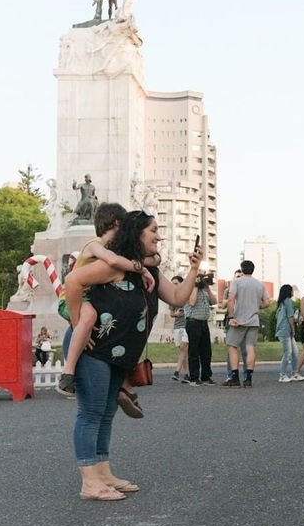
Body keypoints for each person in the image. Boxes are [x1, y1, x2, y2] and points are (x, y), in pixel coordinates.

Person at [63, 210, 199, 501]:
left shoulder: (147, 270)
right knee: (91, 412)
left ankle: (103, 472)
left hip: (117, 355)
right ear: (137, 233)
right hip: (95, 349)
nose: (159, 236)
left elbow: (177, 297)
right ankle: (89, 482)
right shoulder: (114, 266)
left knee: (107, 412)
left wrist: (193, 269)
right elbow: (73, 282)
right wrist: (77, 323)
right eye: (153, 230)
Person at [57, 203, 156, 419]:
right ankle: (68, 373)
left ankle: (125, 387)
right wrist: (141, 268)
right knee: (89, 317)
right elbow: (113, 261)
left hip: (86, 297)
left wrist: (151, 260)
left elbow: (141, 258)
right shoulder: (94, 246)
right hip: (72, 298)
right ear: (117, 224)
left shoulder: (111, 250)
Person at [224, 260, 270, 387]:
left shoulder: (237, 282)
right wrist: (256, 306)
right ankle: (248, 377)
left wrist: (231, 316)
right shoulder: (259, 284)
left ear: (242, 269)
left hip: (238, 319)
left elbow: (231, 299)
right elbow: (267, 302)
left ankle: (234, 376)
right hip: (253, 320)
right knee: (250, 347)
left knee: (232, 346)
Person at [182, 275, 214, 385]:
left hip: (204, 323)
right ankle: (194, 377)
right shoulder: (188, 290)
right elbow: (191, 302)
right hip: (193, 322)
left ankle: (206, 377)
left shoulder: (204, 291)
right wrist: (195, 286)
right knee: (194, 351)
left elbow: (214, 301)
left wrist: (208, 288)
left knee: (206, 351)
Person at [275, 284, 300, 382]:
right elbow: (290, 317)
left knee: (295, 352)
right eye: (291, 290)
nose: (293, 292)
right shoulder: (288, 301)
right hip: (285, 330)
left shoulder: (281, 303)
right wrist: (293, 329)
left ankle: (295, 373)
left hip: (283, 330)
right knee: (288, 353)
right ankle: (282, 375)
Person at [169, 276, 186, 381]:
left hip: (186, 326)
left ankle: (177, 372)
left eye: (175, 283)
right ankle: (188, 374)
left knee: (184, 350)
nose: (173, 285)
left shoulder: (187, 295)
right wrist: (176, 314)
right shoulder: (172, 297)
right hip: (177, 326)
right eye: (172, 283)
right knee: (183, 351)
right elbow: (171, 314)